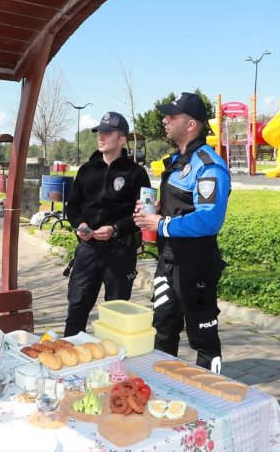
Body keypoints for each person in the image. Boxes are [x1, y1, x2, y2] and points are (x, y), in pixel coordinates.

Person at [134, 92, 231, 372]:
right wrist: (152, 211)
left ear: (191, 124)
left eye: (171, 116)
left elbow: (209, 220)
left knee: (203, 339)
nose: (164, 120)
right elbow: (179, 207)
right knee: (162, 330)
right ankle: (164, 392)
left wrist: (161, 223)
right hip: (167, 261)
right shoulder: (177, 161)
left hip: (196, 266)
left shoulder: (208, 164)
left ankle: (212, 399)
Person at [63, 112, 151, 337]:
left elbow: (144, 216)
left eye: (107, 133)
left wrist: (115, 229)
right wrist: (80, 223)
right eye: (99, 132)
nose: (101, 137)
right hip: (87, 250)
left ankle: (114, 368)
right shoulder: (86, 170)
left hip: (120, 252)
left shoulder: (136, 174)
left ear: (121, 140)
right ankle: (70, 360)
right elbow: (71, 207)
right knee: (77, 308)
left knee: (116, 315)